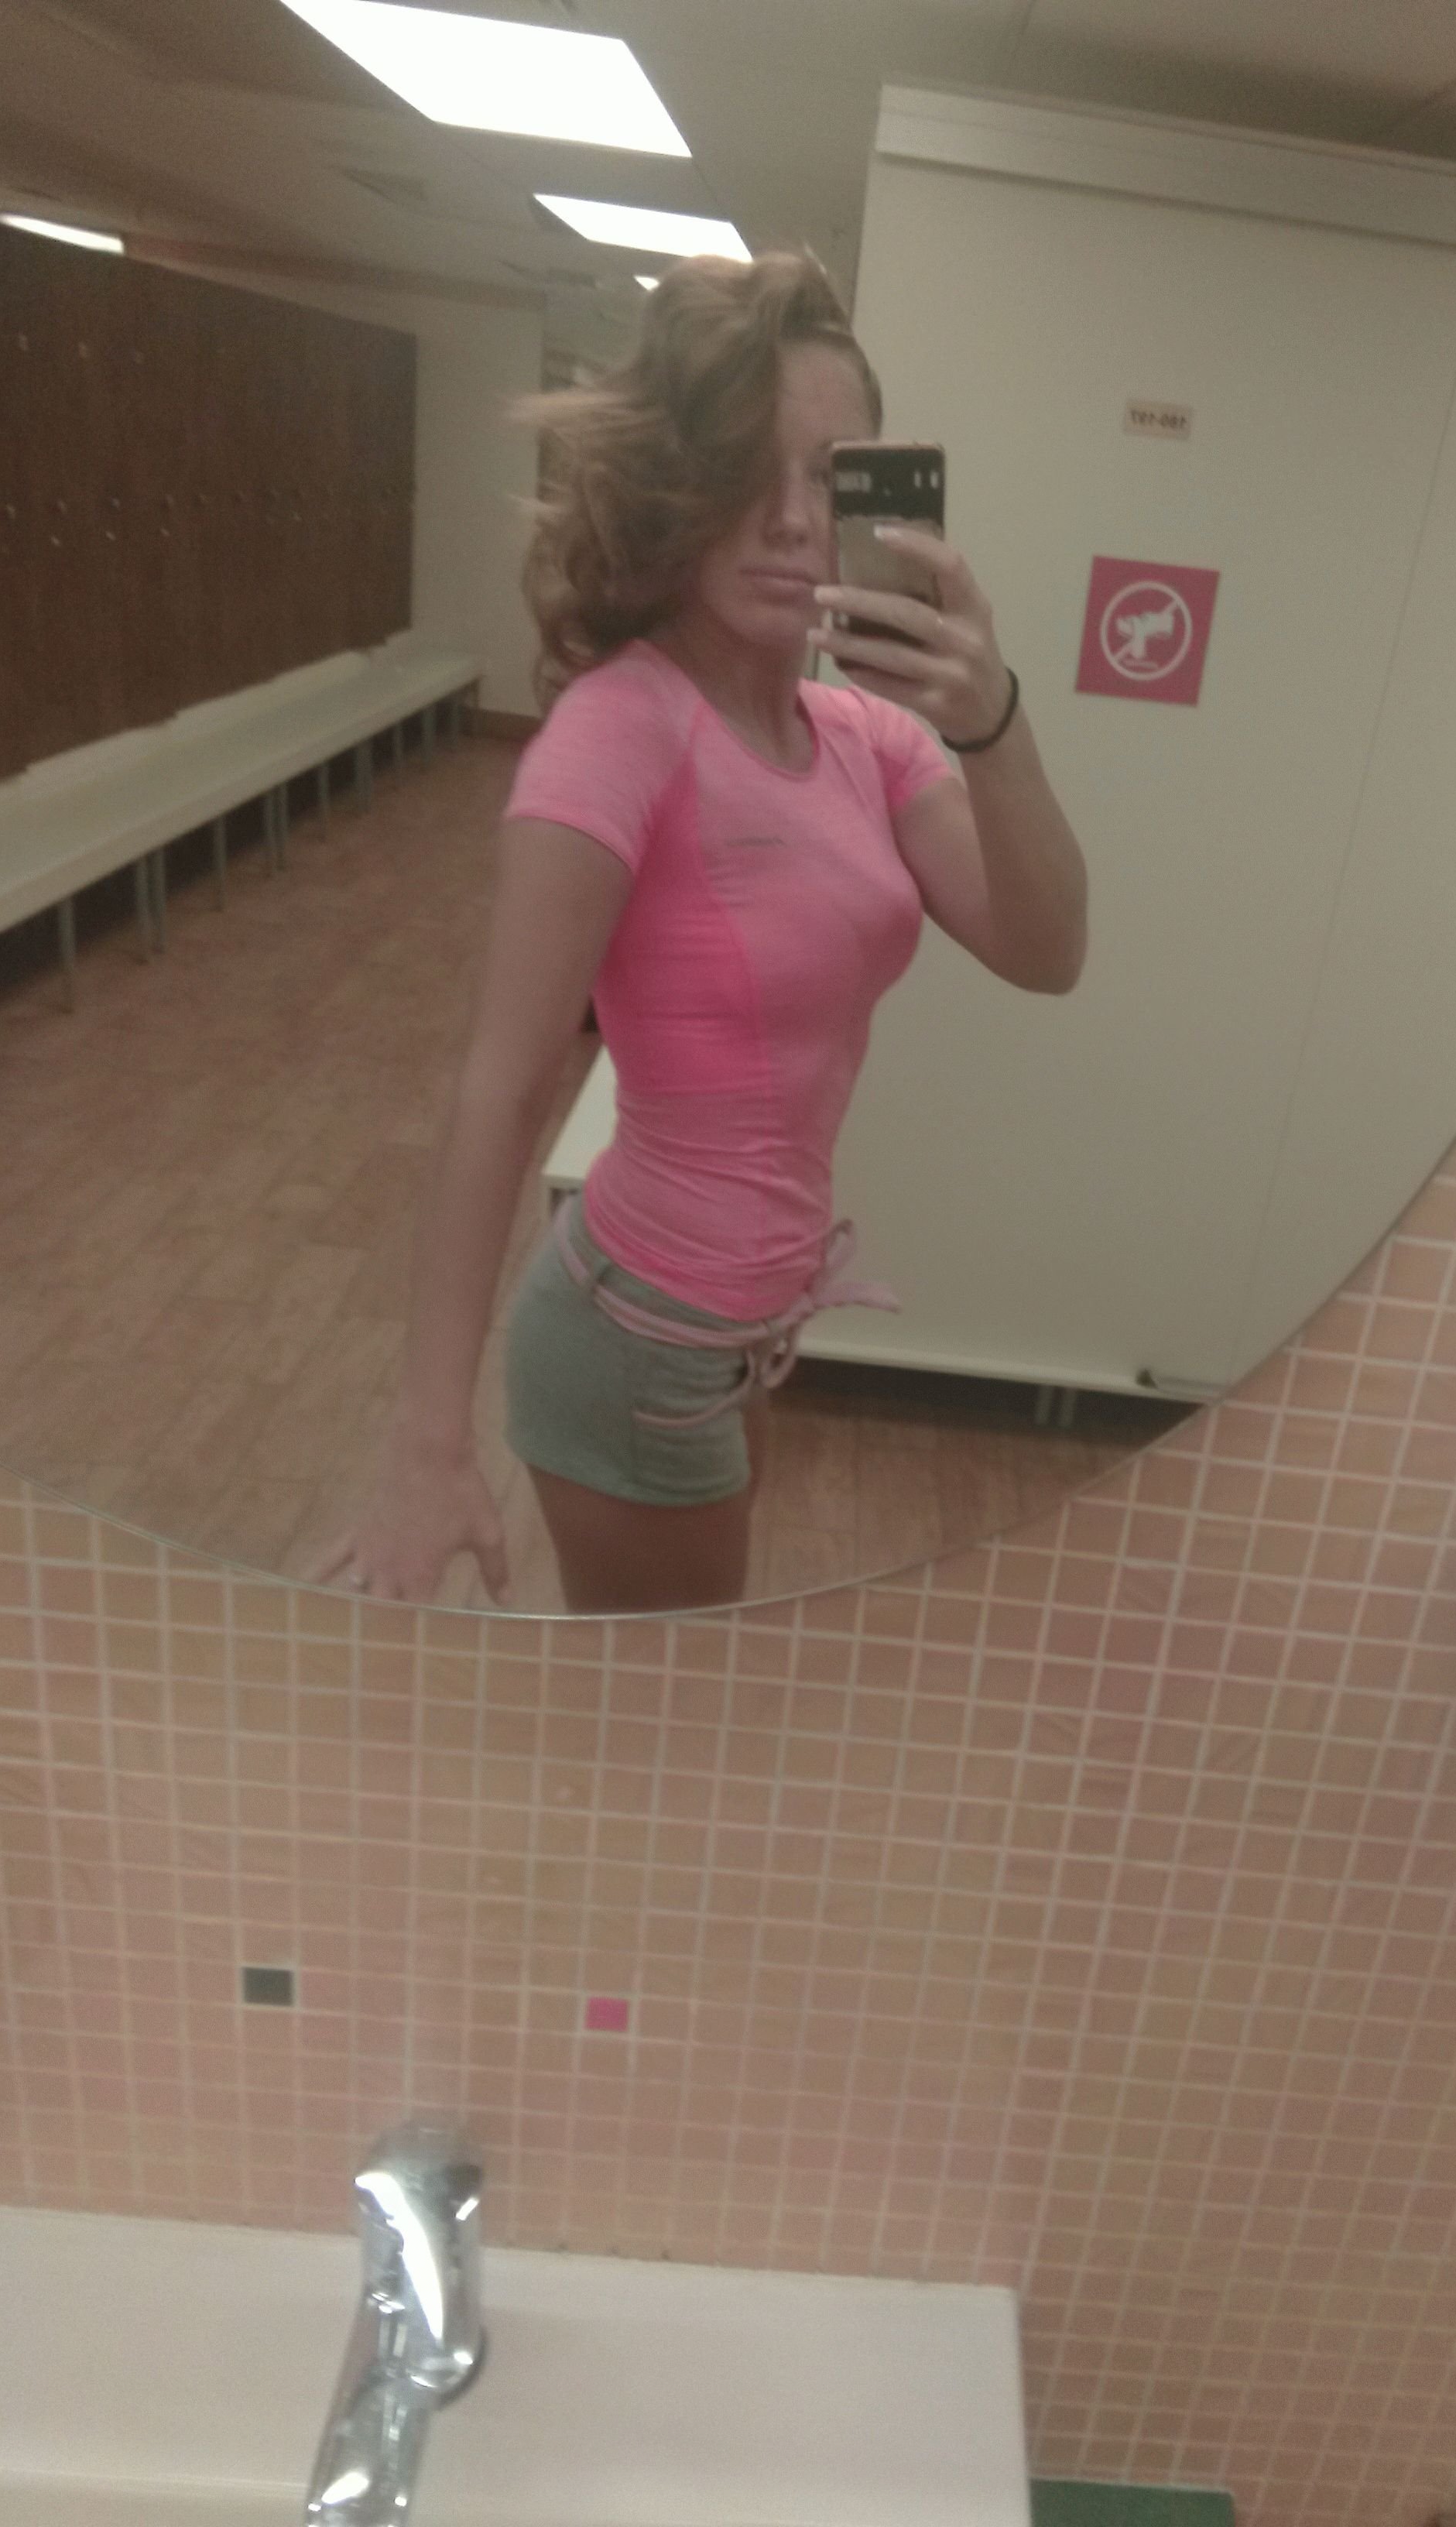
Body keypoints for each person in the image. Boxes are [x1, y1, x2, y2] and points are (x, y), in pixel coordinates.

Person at [317, 251, 1086, 1615]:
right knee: (672, 1714)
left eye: (830, 476)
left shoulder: (868, 739)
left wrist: (995, 719)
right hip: (632, 1341)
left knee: (678, 1692)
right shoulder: (619, 732)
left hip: (742, 1331)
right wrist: (428, 1444)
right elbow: (502, 1086)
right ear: (676, 486)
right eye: (746, 471)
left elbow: (1047, 951)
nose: (793, 521)